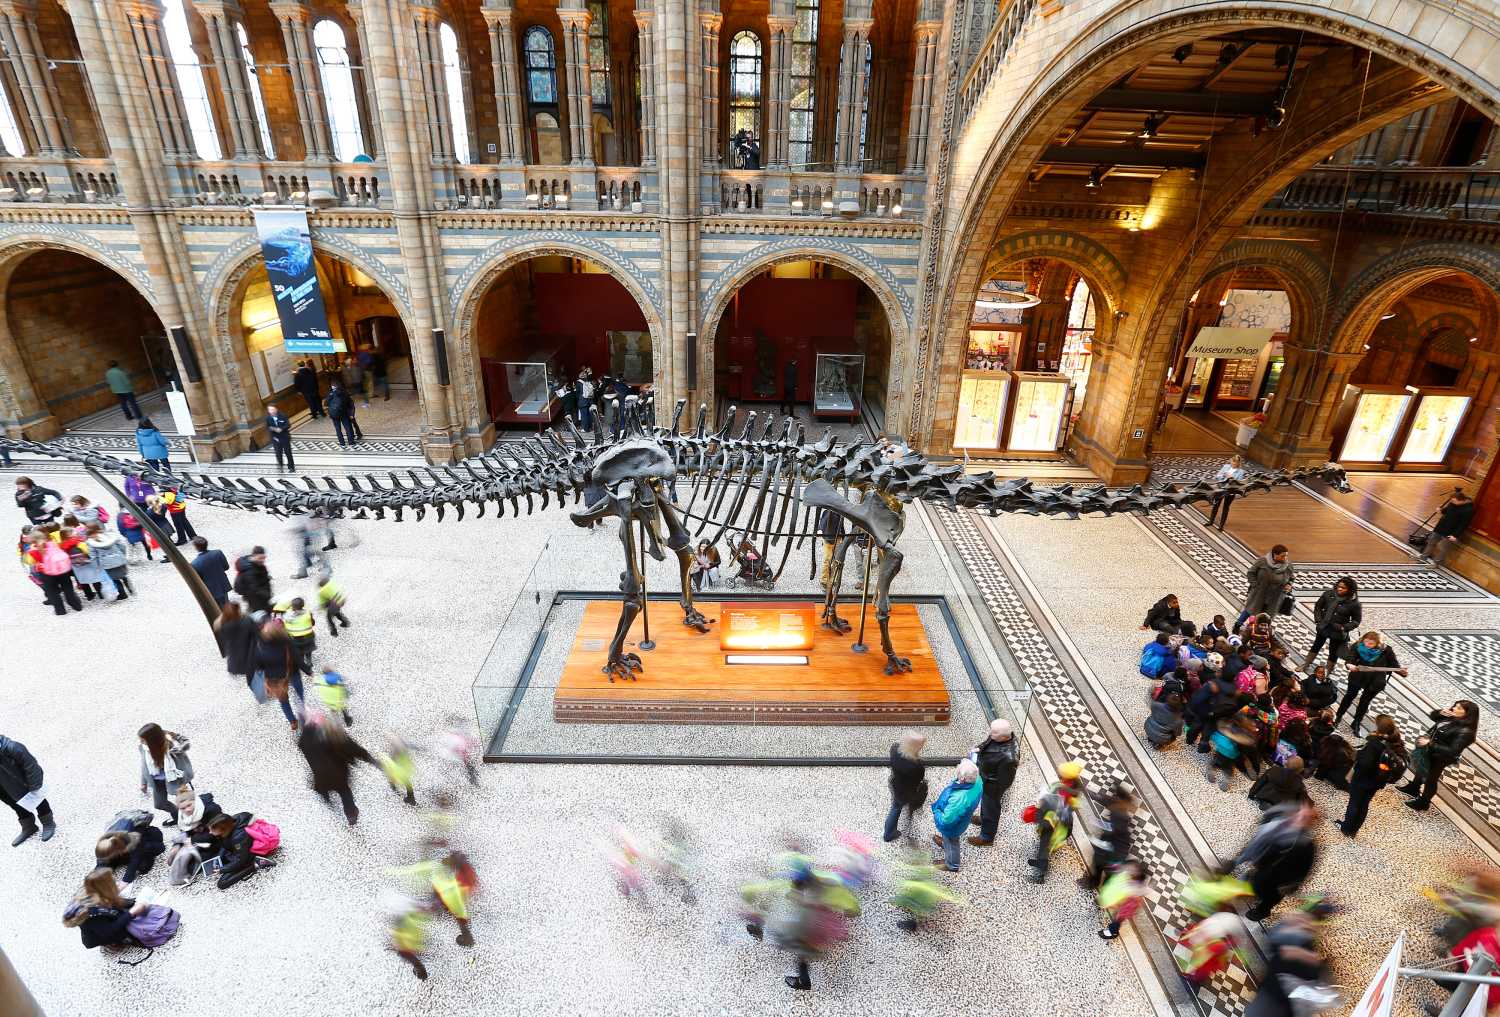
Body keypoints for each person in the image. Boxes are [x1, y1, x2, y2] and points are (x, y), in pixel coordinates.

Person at [1235, 801, 1319, 922]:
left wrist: (1292, 884)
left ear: (1309, 823)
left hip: (1281, 880)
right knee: (1258, 883)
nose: (1299, 817)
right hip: (1265, 868)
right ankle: (1254, 892)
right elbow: (1265, 841)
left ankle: (1263, 910)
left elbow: (1305, 868)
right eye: (1300, 813)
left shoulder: (1307, 846)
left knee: (1271, 897)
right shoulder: (1283, 824)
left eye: (1305, 817)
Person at [1244, 907, 1335, 1017]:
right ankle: (1313, 917)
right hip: (1285, 982)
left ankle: (1313, 917)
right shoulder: (1289, 943)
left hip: (1282, 984)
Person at [1399, 700, 1479, 811]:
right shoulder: (1453, 718)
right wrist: (1440, 712)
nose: (1454, 708)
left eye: (1459, 708)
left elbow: (1453, 751)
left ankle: (1424, 802)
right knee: (1422, 767)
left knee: (1431, 778)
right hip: (1431, 750)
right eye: (1455, 706)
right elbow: (1433, 717)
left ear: (1468, 714)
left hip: (1441, 757)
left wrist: (1430, 744)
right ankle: (1414, 788)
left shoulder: (1466, 732)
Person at [297, 713, 377, 825]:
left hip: (320, 775)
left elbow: (303, 744)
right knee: (344, 792)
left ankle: (327, 802)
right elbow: (356, 750)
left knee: (323, 789)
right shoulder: (336, 738)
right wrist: (373, 760)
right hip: (338, 774)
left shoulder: (305, 740)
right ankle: (351, 814)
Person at [1337, 714, 1406, 837]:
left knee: (1354, 803)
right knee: (1364, 804)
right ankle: (1354, 830)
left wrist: (1354, 770)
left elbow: (1364, 764)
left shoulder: (1375, 743)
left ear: (1379, 728)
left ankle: (1346, 828)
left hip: (1363, 779)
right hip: (1378, 781)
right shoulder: (1395, 741)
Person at [1332, 631, 1407, 734]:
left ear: (1377, 643)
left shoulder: (1386, 650)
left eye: (1371, 643)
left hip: (1375, 681)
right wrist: (1349, 665)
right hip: (1358, 676)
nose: (1367, 645)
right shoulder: (1358, 646)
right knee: (1349, 696)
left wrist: (1401, 672)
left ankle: (1357, 722)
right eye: (1366, 642)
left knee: (1365, 701)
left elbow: (1394, 664)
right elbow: (1350, 658)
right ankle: (1339, 716)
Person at [62, 868, 157, 948]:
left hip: (103, 921)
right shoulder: (92, 912)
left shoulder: (92, 891)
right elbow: (110, 930)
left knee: (124, 913)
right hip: (98, 935)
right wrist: (132, 912)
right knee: (124, 922)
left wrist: (134, 902)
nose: (116, 883)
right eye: (113, 882)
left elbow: (113, 902)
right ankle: (113, 942)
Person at [1024, 760, 1083, 883]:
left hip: (1053, 823)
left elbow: (1060, 806)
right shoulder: (1072, 786)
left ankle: (1040, 874)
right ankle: (1041, 861)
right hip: (1055, 821)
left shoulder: (1066, 789)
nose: (1059, 774)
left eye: (1061, 773)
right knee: (1045, 844)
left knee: (1045, 847)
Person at [967, 718, 1019, 846]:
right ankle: (983, 818)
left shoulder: (1009, 758)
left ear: (1003, 737)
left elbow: (1005, 781)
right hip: (986, 778)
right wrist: (978, 749)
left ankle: (987, 837)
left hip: (993, 787)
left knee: (991, 808)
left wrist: (992, 787)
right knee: (985, 804)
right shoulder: (998, 735)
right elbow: (987, 742)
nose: (990, 734)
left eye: (994, 733)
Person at [928, 759, 983, 872]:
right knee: (948, 839)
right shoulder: (977, 780)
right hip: (962, 819)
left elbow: (946, 820)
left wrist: (937, 811)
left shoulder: (959, 799)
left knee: (952, 840)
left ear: (962, 780)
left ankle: (952, 864)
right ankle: (945, 843)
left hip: (953, 826)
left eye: (958, 774)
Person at [0, 734, 54, 845]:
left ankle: (48, 822)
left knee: (38, 800)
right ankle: (29, 826)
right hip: (4, 785)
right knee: (15, 804)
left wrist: (35, 786)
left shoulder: (12, 748)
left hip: (22, 782)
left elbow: (31, 765)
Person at [137, 723, 193, 826]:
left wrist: (177, 739)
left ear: (152, 739)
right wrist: (143, 782)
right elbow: (144, 765)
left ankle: (190, 821)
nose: (140, 742)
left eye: (143, 739)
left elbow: (185, 744)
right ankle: (177, 816)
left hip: (175, 779)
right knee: (159, 804)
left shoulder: (170, 746)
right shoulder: (143, 748)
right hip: (157, 780)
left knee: (186, 802)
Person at [255, 620, 306, 731]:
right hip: (292, 672)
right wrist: (308, 670)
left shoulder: (259, 648)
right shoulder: (287, 642)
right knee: (299, 693)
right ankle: (302, 715)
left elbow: (259, 666)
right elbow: (297, 658)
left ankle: (292, 721)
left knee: (283, 700)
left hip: (275, 678)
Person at [1305, 577, 1361, 674]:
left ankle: (1328, 671)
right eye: (1339, 586)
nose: (1340, 589)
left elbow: (1356, 621)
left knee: (1333, 652)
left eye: (1343, 588)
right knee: (1316, 646)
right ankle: (1306, 664)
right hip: (1324, 627)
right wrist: (1318, 620)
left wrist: (1344, 627)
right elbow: (1318, 607)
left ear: (1350, 590)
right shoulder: (1328, 594)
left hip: (1337, 631)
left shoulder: (1354, 604)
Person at [95, 813, 166, 885]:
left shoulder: (132, 840)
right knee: (108, 863)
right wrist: (98, 876)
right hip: (124, 846)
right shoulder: (106, 840)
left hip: (148, 842)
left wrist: (125, 881)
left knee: (143, 866)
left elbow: (135, 859)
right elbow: (102, 860)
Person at [882, 731, 927, 843]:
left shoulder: (895, 749)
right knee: (896, 808)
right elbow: (919, 779)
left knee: (895, 806)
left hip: (895, 783)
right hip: (907, 791)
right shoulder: (917, 766)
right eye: (921, 745)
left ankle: (889, 832)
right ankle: (888, 834)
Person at [1237, 543, 1293, 631]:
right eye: (1282, 556)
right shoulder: (1263, 561)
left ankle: (1256, 630)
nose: (1285, 558)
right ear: (1275, 555)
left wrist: (1289, 585)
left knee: (1267, 615)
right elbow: (1251, 573)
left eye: (1286, 556)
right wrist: (1255, 585)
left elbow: (1291, 578)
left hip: (1275, 597)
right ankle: (1237, 625)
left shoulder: (1288, 566)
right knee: (1250, 610)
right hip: (1259, 593)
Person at [28, 531, 82, 614]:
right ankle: (76, 605)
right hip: (62, 569)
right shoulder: (52, 543)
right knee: (68, 588)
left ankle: (60, 610)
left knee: (52, 592)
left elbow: (31, 562)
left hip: (46, 572)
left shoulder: (33, 551)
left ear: (32, 541)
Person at [1097, 858, 1148, 940]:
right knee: (1117, 918)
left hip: (1124, 907)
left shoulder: (1132, 887)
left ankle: (1112, 932)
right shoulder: (1130, 882)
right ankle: (1112, 930)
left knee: (1117, 919)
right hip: (1121, 905)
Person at [1423, 490, 1475, 567]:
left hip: (1450, 532)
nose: (1451, 502)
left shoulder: (1468, 510)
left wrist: (1455, 535)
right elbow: (1446, 511)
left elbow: (1463, 524)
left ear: (1461, 500)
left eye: (1453, 501)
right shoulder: (1453, 503)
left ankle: (1436, 563)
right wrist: (1441, 510)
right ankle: (1424, 556)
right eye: (1451, 500)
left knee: (1444, 548)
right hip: (1440, 527)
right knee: (1431, 542)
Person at [214, 600, 259, 685]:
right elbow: (257, 633)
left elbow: (217, 626)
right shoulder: (247, 622)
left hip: (236, 659)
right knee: (253, 674)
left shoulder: (224, 628)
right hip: (250, 654)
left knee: (250, 676)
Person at [86, 522, 133, 600]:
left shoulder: (91, 543)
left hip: (107, 563)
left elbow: (93, 557)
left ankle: (123, 595)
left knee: (115, 579)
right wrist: (122, 555)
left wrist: (96, 567)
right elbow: (122, 545)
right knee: (124, 575)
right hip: (119, 559)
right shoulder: (109, 536)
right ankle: (131, 589)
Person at [189, 536, 231, 606]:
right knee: (226, 604)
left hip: (210, 590)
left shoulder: (194, 564)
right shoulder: (218, 553)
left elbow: (198, 580)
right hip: (222, 584)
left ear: (196, 548)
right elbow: (226, 567)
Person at [277, 595, 317, 670]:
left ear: (292, 607)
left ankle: (301, 663)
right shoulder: (308, 613)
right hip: (309, 636)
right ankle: (309, 661)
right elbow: (312, 623)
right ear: (303, 605)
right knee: (308, 649)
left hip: (296, 638)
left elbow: (284, 626)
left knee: (299, 651)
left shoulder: (287, 616)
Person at [1207, 455, 1246, 530]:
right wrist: (1224, 476)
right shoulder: (1226, 466)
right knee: (1216, 505)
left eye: (1236, 463)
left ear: (1238, 463)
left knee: (1226, 507)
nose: (1234, 464)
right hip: (1221, 488)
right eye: (1233, 462)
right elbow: (1218, 476)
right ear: (1231, 461)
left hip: (1230, 491)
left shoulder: (1241, 471)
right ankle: (1211, 521)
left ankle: (1221, 525)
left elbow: (1239, 482)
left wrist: (1231, 478)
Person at [234, 546, 273, 615]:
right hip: (254, 597)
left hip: (258, 594)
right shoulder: (249, 571)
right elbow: (254, 589)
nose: (262, 560)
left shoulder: (256, 563)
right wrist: (267, 595)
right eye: (260, 558)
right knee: (260, 613)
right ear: (254, 556)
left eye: (264, 558)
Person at [318, 569, 351, 636]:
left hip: (334, 604)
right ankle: (345, 622)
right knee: (336, 612)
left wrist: (322, 608)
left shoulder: (321, 591)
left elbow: (322, 604)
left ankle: (334, 632)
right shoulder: (332, 583)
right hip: (341, 600)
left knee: (329, 618)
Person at [265, 403, 295, 471]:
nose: (271, 411)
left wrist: (281, 429)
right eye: (269, 410)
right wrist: (272, 428)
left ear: (276, 409)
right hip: (275, 438)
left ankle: (291, 466)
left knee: (288, 452)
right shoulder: (268, 418)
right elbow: (267, 427)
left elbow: (288, 425)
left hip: (284, 437)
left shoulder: (283, 416)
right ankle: (280, 465)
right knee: (278, 453)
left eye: (272, 409)